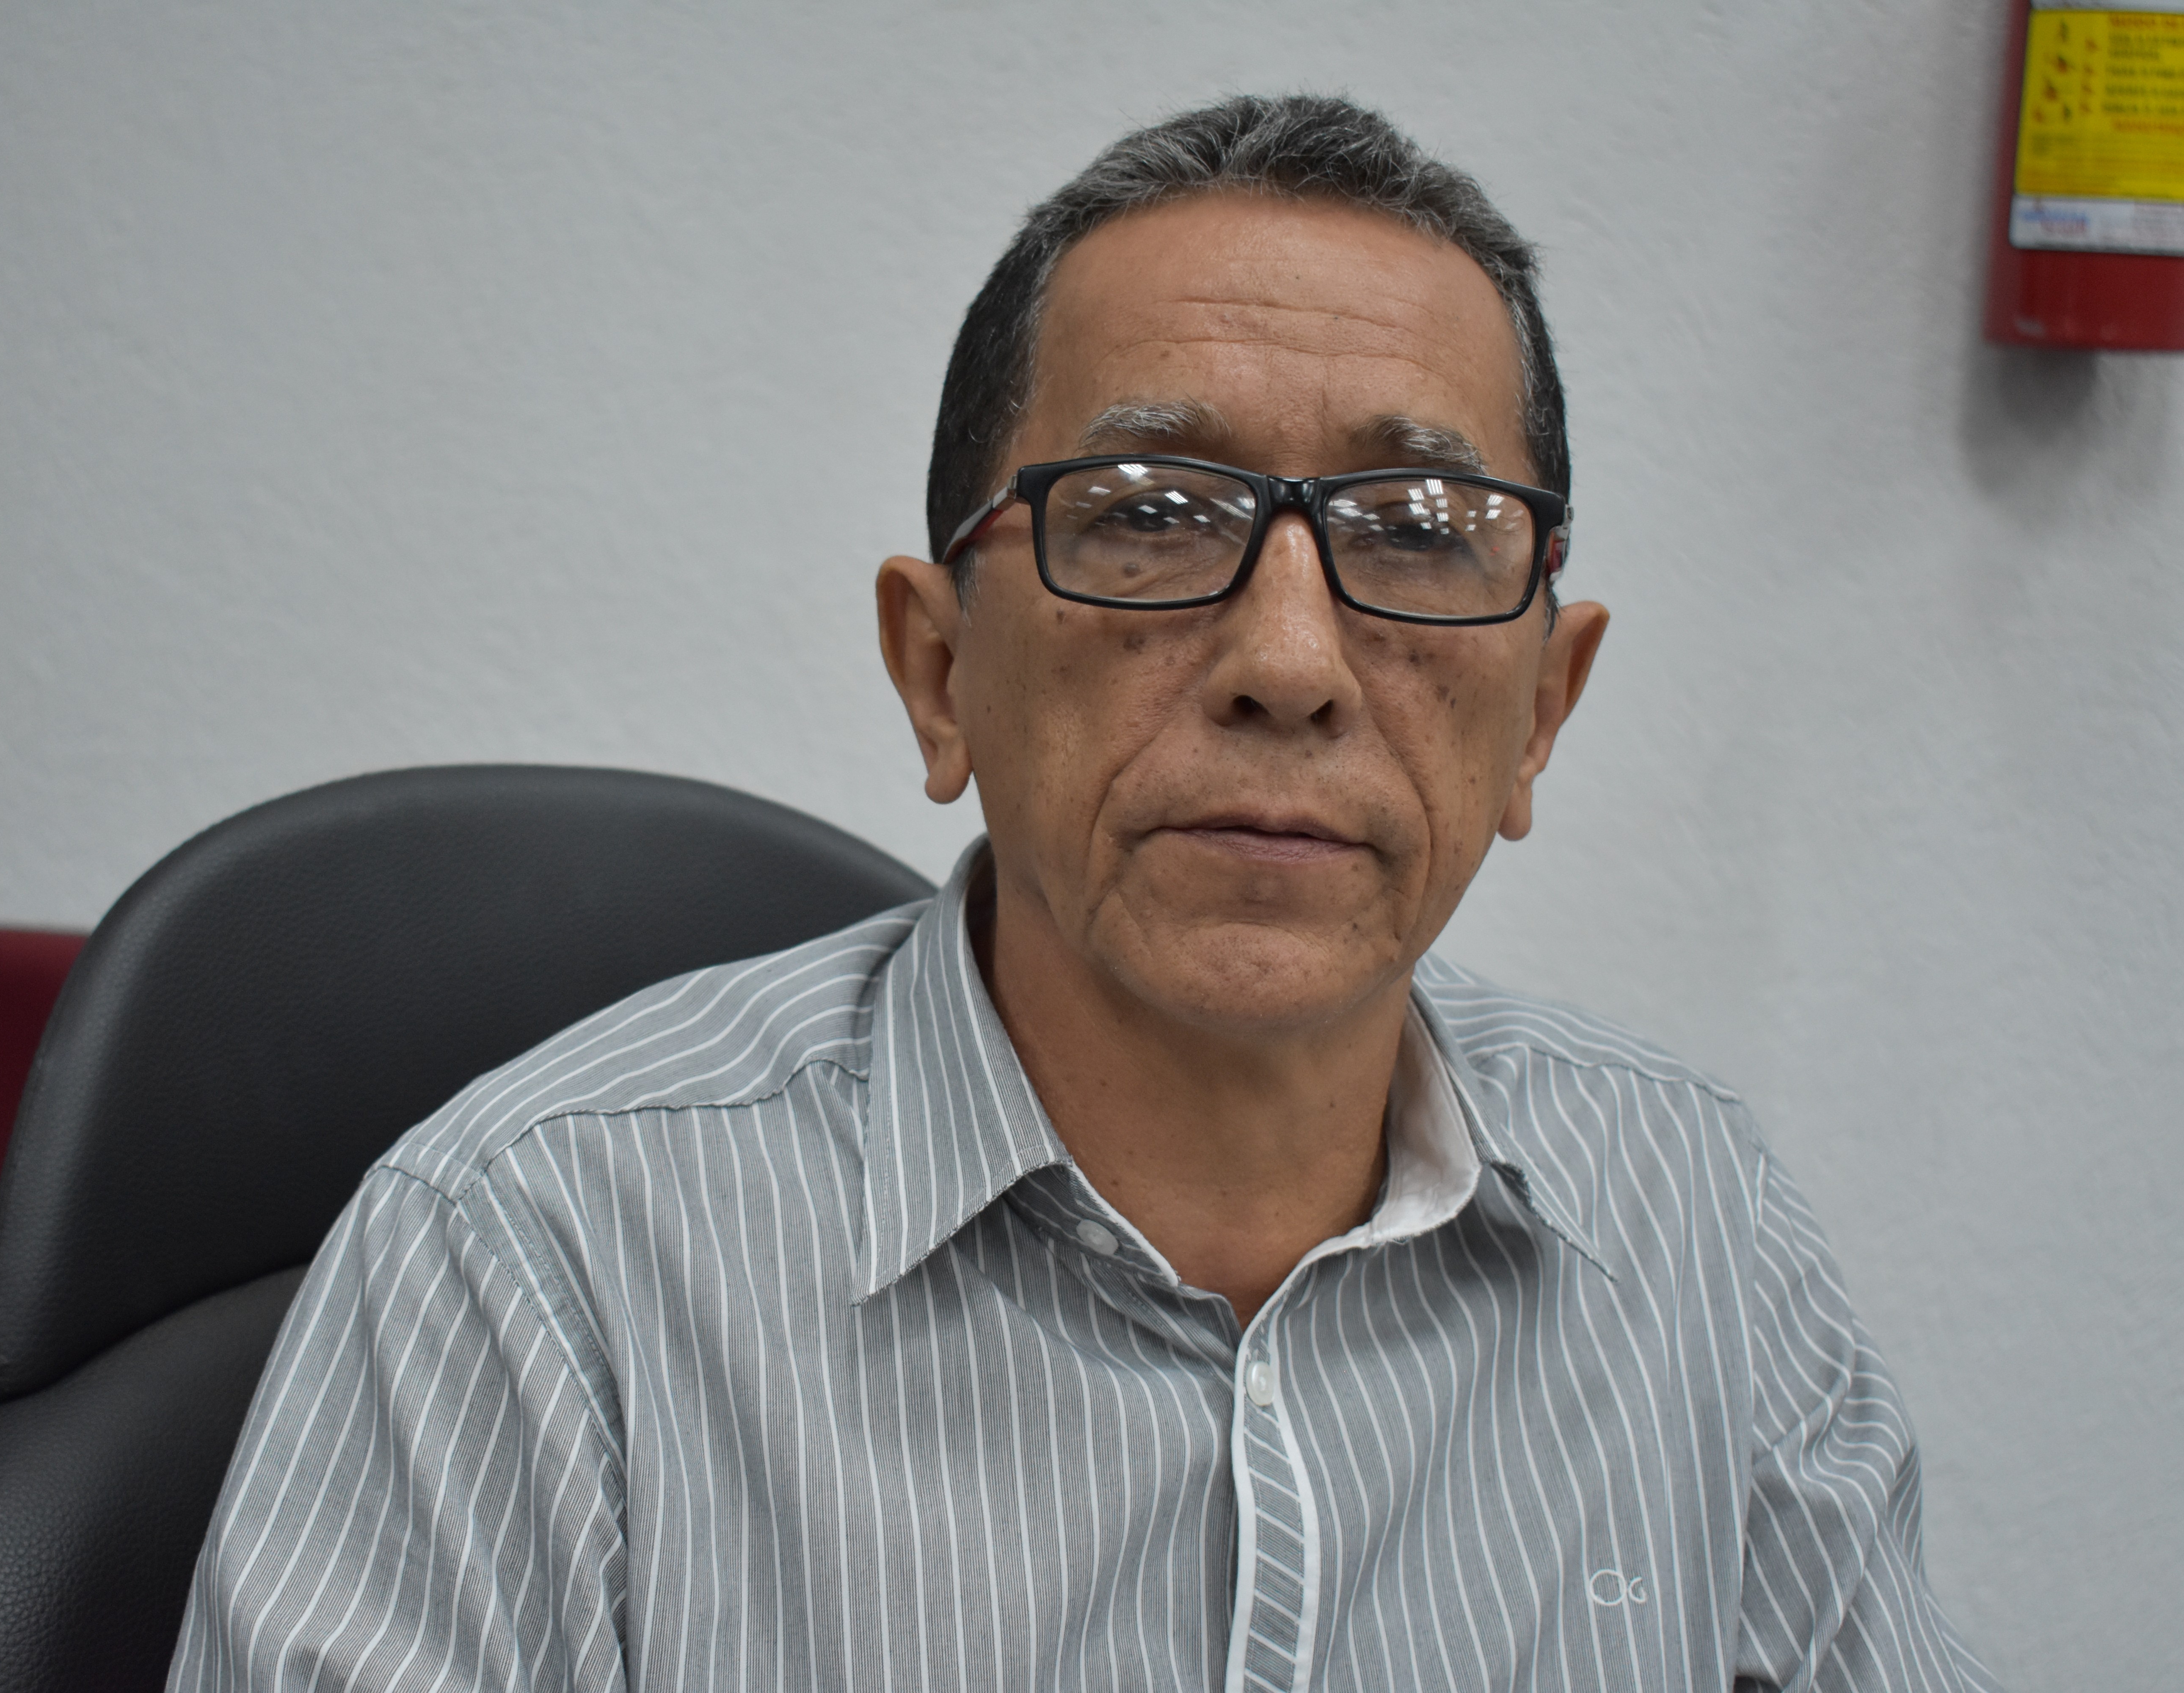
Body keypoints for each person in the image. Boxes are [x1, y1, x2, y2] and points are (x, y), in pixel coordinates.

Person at [167, 94, 1994, 1691]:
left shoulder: (1695, 1223)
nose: (1292, 662)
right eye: (1151, 512)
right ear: (940, 670)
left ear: (1543, 713)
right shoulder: (530, 1260)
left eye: (1419, 534)